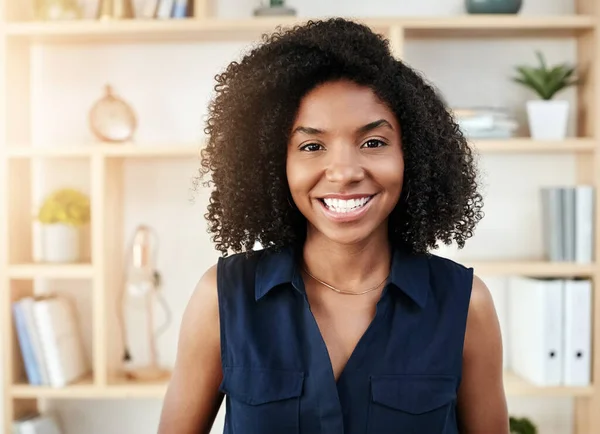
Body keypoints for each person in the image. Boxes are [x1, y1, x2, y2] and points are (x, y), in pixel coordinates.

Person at [158, 17, 509, 434]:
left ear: (412, 154)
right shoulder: (223, 298)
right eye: (311, 146)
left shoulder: (466, 305)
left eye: (373, 142)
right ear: (274, 163)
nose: (343, 172)